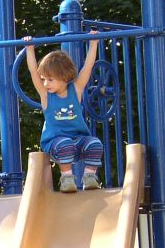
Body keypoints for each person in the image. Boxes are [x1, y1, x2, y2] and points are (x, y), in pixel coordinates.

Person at [23, 30, 104, 193]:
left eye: (50, 79)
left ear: (65, 77)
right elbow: (33, 71)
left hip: (78, 140)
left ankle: (89, 176)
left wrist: (93, 43)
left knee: (95, 144)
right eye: (44, 79)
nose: (45, 84)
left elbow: (88, 67)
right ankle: (67, 178)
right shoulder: (46, 95)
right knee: (65, 144)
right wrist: (29, 49)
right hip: (55, 143)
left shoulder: (76, 89)